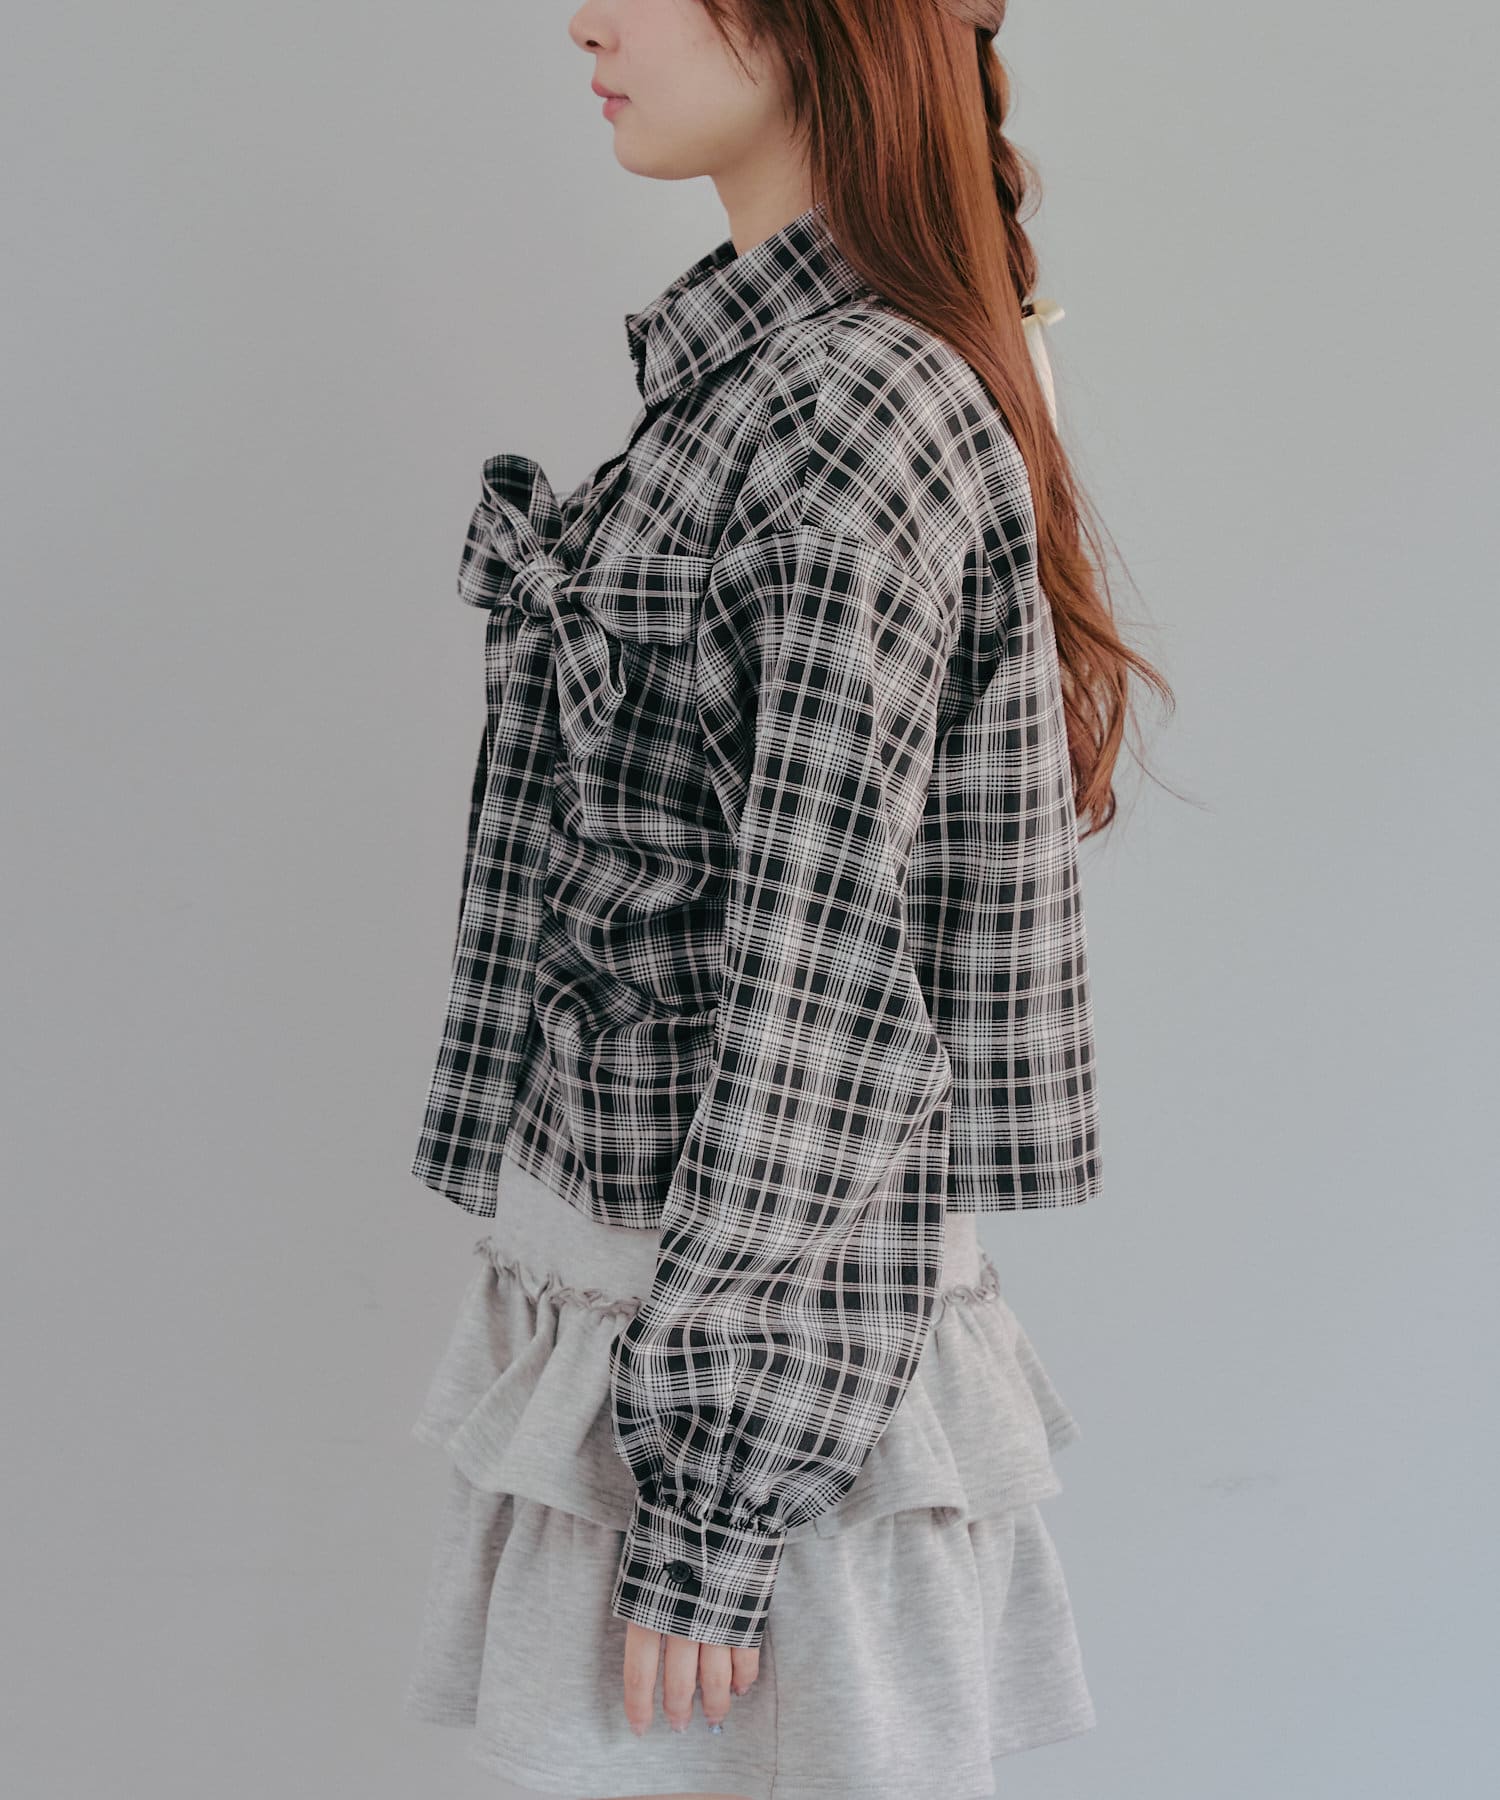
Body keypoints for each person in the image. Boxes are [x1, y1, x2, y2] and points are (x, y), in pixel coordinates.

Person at [401, 4, 1171, 1797]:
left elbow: (829, 986)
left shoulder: (843, 413)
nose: (586, 19)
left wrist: (715, 1500)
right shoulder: (762, 386)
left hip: (751, 1400)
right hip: (664, 1351)